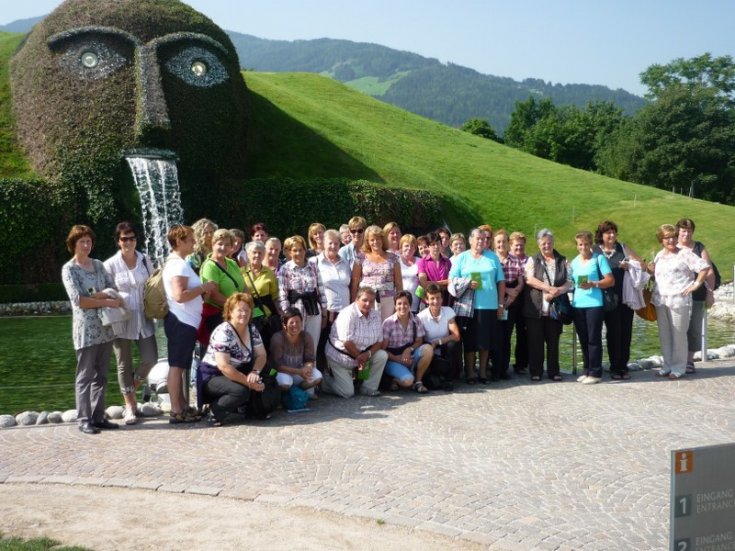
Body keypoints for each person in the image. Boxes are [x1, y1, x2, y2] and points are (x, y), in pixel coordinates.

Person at [62, 225, 122, 434]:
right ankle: (84, 419)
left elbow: (112, 289)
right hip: (86, 330)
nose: (86, 246)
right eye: (82, 242)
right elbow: (79, 301)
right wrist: (102, 298)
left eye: (89, 241)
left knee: (102, 375)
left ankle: (98, 416)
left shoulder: (97, 265)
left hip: (105, 327)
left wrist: (99, 296)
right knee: (85, 376)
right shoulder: (69, 269)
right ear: (73, 244)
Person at [103, 222, 157, 425]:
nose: (128, 242)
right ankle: (130, 406)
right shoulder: (110, 265)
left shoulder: (144, 260)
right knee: (123, 364)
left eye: (132, 237)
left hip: (144, 317)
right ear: (118, 241)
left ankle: (132, 387)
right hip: (121, 318)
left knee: (151, 358)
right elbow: (105, 291)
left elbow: (153, 283)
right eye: (124, 238)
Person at [163, 225, 217, 423]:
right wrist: (205, 287)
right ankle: (176, 409)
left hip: (184, 321)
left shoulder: (179, 263)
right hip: (181, 320)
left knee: (181, 365)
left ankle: (183, 405)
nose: (194, 242)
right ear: (179, 242)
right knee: (177, 366)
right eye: (190, 239)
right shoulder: (178, 265)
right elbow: (179, 295)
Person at [648, 224, 709, 379]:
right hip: (661, 299)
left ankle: (678, 367)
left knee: (678, 334)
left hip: (679, 299)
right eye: (667, 237)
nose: (671, 240)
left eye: (673, 237)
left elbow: (704, 267)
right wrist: (650, 271)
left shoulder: (685, 253)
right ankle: (667, 365)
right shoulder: (659, 255)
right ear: (661, 239)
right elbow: (658, 277)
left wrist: (696, 284)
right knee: (665, 335)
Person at [198, 293, 268, 426]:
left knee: (263, 379)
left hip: (237, 370)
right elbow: (224, 366)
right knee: (240, 391)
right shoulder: (223, 332)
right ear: (230, 312)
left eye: (247, 310)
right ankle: (215, 411)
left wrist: (255, 372)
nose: (244, 314)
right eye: (240, 310)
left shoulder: (252, 329)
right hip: (213, 375)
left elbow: (262, 355)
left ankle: (248, 409)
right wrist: (248, 383)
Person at [449, 228, 505, 384]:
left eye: (483, 239)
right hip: (468, 306)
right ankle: (470, 372)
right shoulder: (462, 258)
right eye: (477, 239)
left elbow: (501, 282)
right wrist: (466, 283)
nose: (481, 242)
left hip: (489, 305)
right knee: (470, 341)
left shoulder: (492, 257)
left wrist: (501, 304)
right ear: (470, 240)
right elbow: (451, 280)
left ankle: (482, 372)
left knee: (486, 341)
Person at [593, 220, 642, 380]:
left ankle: (623, 366)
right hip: (607, 298)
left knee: (626, 332)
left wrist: (630, 265)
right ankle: (615, 367)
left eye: (614, 232)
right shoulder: (595, 251)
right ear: (601, 235)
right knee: (613, 333)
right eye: (608, 233)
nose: (612, 235)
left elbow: (641, 263)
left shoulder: (622, 247)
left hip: (625, 296)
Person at [523, 229, 571, 382]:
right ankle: (536, 371)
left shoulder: (563, 260)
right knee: (535, 342)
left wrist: (556, 292)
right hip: (536, 307)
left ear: (553, 243)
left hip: (554, 308)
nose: (546, 246)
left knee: (553, 341)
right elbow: (529, 279)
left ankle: (554, 371)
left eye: (549, 242)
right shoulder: (533, 260)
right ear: (538, 244)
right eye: (543, 243)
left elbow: (569, 282)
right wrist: (548, 288)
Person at [324, 286, 387, 398]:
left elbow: (379, 341)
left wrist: (367, 355)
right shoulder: (348, 314)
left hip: (361, 357)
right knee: (347, 392)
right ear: (356, 299)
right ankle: (325, 382)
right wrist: (360, 357)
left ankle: (368, 388)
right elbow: (347, 342)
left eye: (371, 301)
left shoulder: (376, 315)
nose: (368, 304)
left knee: (381, 355)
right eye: (364, 300)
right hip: (341, 358)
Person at [569, 231, 614, 385]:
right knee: (583, 339)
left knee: (594, 339)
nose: (584, 247)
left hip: (594, 304)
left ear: (591, 245)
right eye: (580, 244)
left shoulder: (598, 258)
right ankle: (587, 369)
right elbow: (572, 283)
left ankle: (596, 372)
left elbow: (610, 280)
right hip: (578, 304)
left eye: (586, 244)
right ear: (577, 246)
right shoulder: (574, 262)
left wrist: (594, 283)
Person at [676, 218, 716, 374]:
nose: (686, 234)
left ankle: (689, 360)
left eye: (689, 230)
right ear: (678, 231)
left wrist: (710, 293)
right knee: (677, 328)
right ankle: (676, 359)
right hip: (677, 295)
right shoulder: (673, 247)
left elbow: (709, 271)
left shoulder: (699, 247)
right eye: (683, 230)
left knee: (693, 328)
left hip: (697, 295)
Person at [278, 235, 327, 352]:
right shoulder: (285, 268)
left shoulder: (313, 266)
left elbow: (320, 289)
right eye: (295, 250)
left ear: (305, 250)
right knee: (296, 345)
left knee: (312, 344)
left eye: (301, 250)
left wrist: (324, 309)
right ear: (289, 252)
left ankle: (311, 368)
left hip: (313, 308)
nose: (298, 253)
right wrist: (287, 314)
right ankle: (297, 370)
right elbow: (282, 294)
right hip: (295, 310)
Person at [312, 229, 352, 367]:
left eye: (336, 243)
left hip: (344, 313)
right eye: (330, 243)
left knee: (341, 344)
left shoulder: (345, 263)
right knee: (323, 344)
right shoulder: (315, 262)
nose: (333, 246)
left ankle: (340, 373)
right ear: (323, 243)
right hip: (326, 312)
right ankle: (321, 375)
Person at [199, 229, 246, 344]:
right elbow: (214, 295)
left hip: (237, 314)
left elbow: (244, 286)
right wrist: (236, 307)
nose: (223, 247)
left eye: (227, 245)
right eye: (220, 244)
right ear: (213, 244)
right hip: (218, 316)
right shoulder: (210, 266)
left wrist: (246, 303)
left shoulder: (232, 263)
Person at [382, 291, 434, 393]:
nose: (402, 306)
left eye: (405, 303)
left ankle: (418, 381)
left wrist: (408, 350)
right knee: (408, 381)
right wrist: (397, 359)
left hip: (409, 355)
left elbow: (419, 341)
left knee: (428, 349)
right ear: (395, 305)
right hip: (393, 358)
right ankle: (394, 380)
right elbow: (382, 350)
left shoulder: (416, 320)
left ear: (410, 305)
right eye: (399, 304)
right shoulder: (388, 323)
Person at [351, 225, 403, 320]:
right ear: (367, 241)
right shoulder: (360, 258)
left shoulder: (394, 258)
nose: (375, 242)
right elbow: (354, 283)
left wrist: (399, 304)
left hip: (388, 300)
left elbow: (399, 284)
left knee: (386, 328)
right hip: (366, 299)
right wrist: (353, 304)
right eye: (372, 240)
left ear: (383, 240)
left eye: (378, 239)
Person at [492, 229, 525, 380]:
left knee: (506, 336)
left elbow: (520, 281)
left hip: (511, 302)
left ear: (508, 243)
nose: (501, 244)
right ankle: (493, 367)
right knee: (495, 335)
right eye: (498, 241)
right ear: (494, 243)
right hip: (495, 299)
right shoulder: (491, 259)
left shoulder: (515, 259)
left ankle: (503, 368)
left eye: (504, 241)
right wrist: (507, 293)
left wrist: (514, 293)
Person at [241, 240, 281, 350]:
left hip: (265, 315)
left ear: (264, 255)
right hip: (246, 312)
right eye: (254, 252)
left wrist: (281, 315)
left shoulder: (269, 273)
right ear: (248, 254)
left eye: (260, 253)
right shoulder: (240, 272)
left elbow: (275, 297)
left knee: (266, 343)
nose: (257, 255)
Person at [270, 309, 322, 394]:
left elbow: (309, 359)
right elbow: (277, 365)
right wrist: (299, 372)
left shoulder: (306, 336)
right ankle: (280, 395)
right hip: (279, 372)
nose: (295, 325)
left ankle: (297, 393)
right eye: (291, 323)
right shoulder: (277, 338)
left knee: (317, 376)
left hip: (298, 371)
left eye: (298, 322)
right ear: (284, 325)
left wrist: (307, 368)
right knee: (285, 382)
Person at [417, 284, 462, 381]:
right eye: (432, 298)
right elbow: (420, 341)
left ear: (442, 299)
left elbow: (456, 336)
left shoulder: (448, 311)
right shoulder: (420, 317)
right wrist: (431, 346)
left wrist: (438, 342)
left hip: (444, 347)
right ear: (426, 300)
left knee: (453, 345)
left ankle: (450, 378)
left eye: (438, 298)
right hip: (430, 350)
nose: (436, 301)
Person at [509, 231, 529, 374]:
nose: (519, 248)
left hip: (525, 301)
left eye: (521, 245)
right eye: (516, 245)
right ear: (511, 245)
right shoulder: (506, 259)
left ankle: (521, 364)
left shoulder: (529, 260)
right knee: (506, 333)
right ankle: (501, 364)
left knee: (523, 334)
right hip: (509, 301)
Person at [418, 231, 452, 306]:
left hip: (444, 301)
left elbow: (452, 281)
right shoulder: (422, 262)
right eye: (433, 244)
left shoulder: (447, 262)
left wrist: (432, 283)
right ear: (428, 246)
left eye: (438, 244)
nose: (436, 247)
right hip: (428, 302)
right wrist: (443, 282)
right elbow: (424, 283)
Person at [397, 234, 421, 313]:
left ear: (415, 248)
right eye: (406, 246)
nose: (409, 248)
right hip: (398, 304)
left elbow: (422, 283)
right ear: (401, 247)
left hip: (414, 303)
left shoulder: (420, 262)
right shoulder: (396, 261)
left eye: (412, 246)